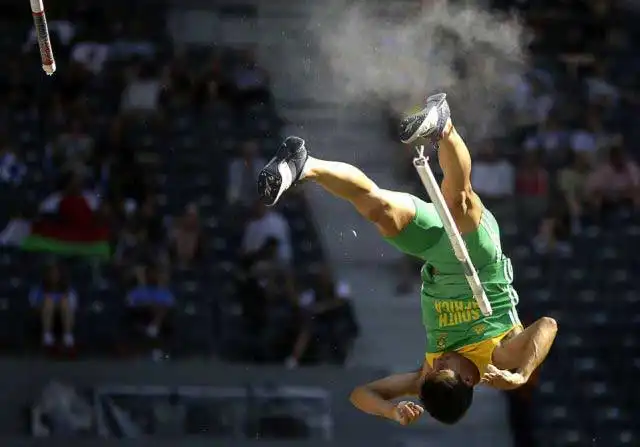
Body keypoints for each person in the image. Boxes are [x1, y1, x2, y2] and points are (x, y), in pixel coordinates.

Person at [256, 93, 558, 426]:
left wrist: (390, 410)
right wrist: (523, 374)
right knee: (457, 200)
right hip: (479, 255)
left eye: (433, 368)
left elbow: (361, 394)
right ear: (467, 379)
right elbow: (548, 325)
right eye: (443, 367)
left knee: (378, 209)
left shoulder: (429, 376)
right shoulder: (498, 360)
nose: (436, 362)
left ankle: (304, 165)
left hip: (435, 255)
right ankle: (444, 126)